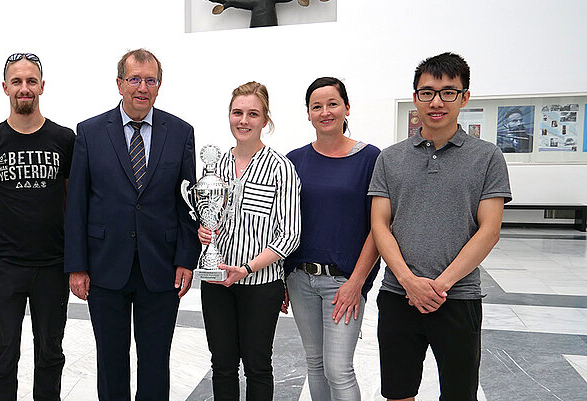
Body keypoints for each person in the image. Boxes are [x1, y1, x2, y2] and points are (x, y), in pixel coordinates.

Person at [369, 52, 512, 401]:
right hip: (398, 296)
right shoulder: (390, 157)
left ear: (464, 98)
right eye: (427, 92)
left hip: (458, 297)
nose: (436, 102)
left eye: (448, 92)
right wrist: (408, 282)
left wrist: (439, 285)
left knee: (459, 393)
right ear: (415, 96)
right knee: (398, 392)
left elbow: (489, 230)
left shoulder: (487, 156)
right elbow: (380, 225)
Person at [64, 48, 200, 400]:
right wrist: (77, 266)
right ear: (119, 83)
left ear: (159, 86)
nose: (143, 87)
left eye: (150, 80)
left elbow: (188, 203)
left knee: (156, 361)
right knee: (111, 360)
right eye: (135, 79)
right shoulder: (91, 132)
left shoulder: (181, 132)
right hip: (105, 264)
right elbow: (76, 203)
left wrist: (187, 258)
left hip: (162, 265)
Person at [0, 52, 75, 401]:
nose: (24, 88)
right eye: (17, 81)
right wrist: (2, 229)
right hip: (5, 265)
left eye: (31, 81)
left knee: (50, 353)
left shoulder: (64, 140)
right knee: (1, 357)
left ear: (42, 86)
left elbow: (70, 199)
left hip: (52, 264)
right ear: (5, 87)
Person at [196, 81, 301, 400]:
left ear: (265, 120)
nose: (244, 120)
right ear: (229, 115)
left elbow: (290, 235)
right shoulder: (214, 166)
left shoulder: (280, 168)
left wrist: (245, 268)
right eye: (237, 112)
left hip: (261, 284)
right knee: (222, 365)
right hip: (217, 283)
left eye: (252, 114)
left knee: (257, 366)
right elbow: (209, 216)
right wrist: (204, 231)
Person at [284, 77, 381, 400]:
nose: (325, 112)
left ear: (346, 108)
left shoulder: (370, 159)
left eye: (332, 104)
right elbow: (284, 223)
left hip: (344, 282)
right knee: (315, 364)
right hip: (299, 279)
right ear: (308, 114)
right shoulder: (294, 161)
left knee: (338, 368)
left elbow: (378, 229)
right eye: (317, 106)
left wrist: (357, 283)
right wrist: (282, 280)